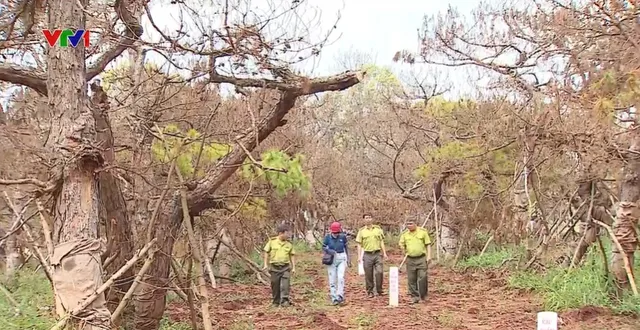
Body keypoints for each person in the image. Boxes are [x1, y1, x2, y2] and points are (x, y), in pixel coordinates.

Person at [398, 220, 432, 304]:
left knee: (422, 277)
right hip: (410, 259)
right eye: (407, 224)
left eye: (411, 224)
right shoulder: (405, 234)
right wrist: (403, 249)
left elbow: (428, 244)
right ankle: (414, 296)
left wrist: (429, 256)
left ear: (415, 224)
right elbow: (401, 244)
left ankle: (423, 296)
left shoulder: (422, 232)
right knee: (411, 279)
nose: (409, 226)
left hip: (421, 258)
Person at [262, 224, 296, 307]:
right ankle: (276, 301)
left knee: (285, 285)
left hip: (285, 267)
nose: (288, 235)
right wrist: (265, 264)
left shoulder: (289, 244)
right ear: (281, 233)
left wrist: (294, 267)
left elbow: (292, 255)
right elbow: (266, 252)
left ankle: (285, 301)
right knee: (275, 284)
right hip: (274, 267)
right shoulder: (272, 242)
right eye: (286, 233)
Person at [355, 213, 388, 298]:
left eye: (370, 217)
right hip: (367, 254)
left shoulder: (378, 229)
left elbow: (381, 241)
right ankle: (370, 291)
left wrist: (384, 253)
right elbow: (359, 244)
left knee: (379, 272)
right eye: (366, 218)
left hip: (377, 253)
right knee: (368, 274)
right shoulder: (361, 231)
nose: (368, 219)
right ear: (363, 220)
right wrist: (359, 256)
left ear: (372, 219)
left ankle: (379, 290)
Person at [322, 221, 351, 305]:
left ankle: (340, 295)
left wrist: (349, 259)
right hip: (332, 258)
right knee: (332, 279)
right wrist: (329, 250)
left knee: (341, 277)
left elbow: (347, 248)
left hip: (341, 257)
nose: (336, 234)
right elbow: (323, 247)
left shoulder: (343, 237)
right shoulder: (327, 237)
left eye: (337, 232)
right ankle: (334, 297)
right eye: (334, 233)